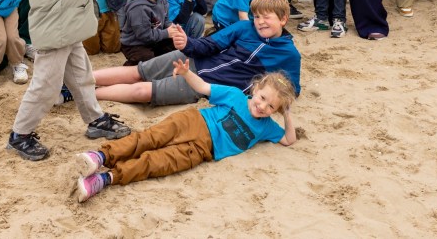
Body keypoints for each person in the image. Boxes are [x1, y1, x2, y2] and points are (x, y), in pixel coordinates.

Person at [7, 0, 131, 161]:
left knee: (82, 76)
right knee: (45, 87)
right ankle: (20, 134)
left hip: (66, 29)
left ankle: (95, 119)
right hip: (55, 34)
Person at [73, 60, 296, 203]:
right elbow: (202, 88)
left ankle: (106, 178)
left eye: (272, 107)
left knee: (157, 162)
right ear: (256, 89)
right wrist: (187, 73)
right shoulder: (235, 95)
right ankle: (101, 156)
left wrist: (286, 113)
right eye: (263, 98)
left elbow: (288, 139)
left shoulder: (266, 126)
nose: (263, 107)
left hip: (201, 150)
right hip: (193, 121)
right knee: (149, 139)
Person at [93, 0, 301, 107]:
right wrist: (188, 44)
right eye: (256, 16)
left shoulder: (289, 54)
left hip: (204, 85)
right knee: (137, 73)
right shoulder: (244, 27)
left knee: (141, 90)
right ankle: (76, 81)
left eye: (267, 17)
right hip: (192, 59)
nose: (260, 22)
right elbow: (211, 44)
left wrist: (258, 92)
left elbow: (292, 90)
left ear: (283, 19)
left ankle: (87, 94)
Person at [118, 0, 174, 65]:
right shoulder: (139, 8)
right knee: (146, 59)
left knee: (174, 46)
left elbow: (165, 19)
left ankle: (160, 64)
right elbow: (144, 35)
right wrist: (166, 33)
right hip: (134, 44)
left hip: (153, 39)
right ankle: (130, 68)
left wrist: (171, 27)